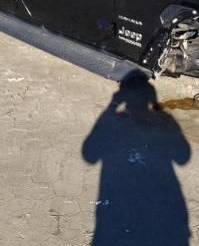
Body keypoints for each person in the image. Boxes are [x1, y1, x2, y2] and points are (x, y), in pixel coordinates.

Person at [82, 73, 191, 246]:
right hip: (159, 210)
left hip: (119, 209)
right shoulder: (163, 120)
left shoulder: (114, 122)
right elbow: (183, 157)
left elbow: (89, 154)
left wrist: (112, 106)